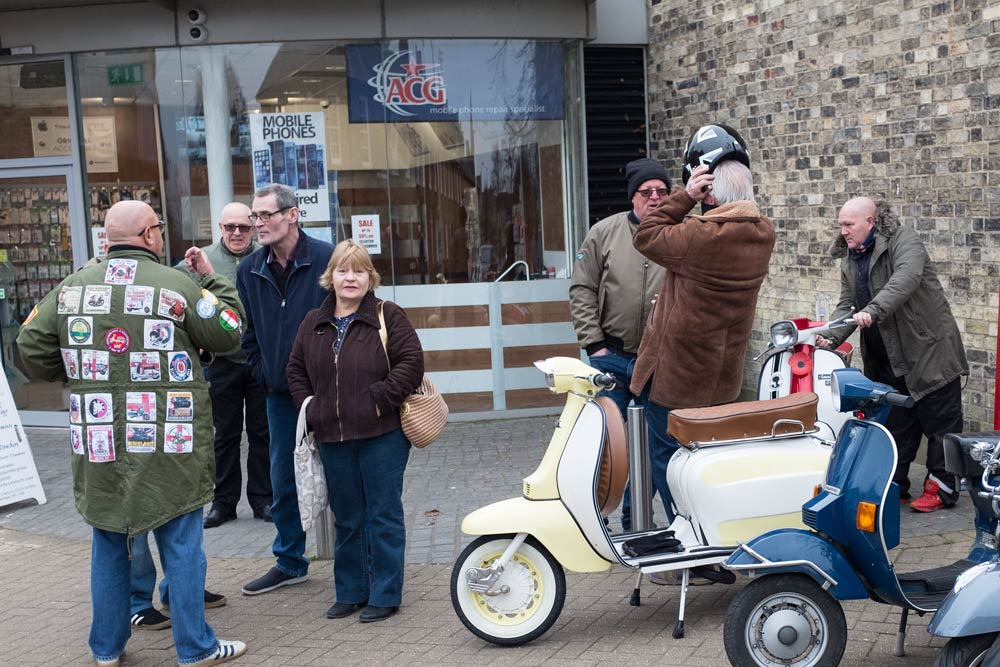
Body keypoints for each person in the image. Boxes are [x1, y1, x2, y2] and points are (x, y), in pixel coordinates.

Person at [15, 200, 246, 667]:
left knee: (107, 543)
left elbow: (29, 346)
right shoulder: (176, 283)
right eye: (158, 228)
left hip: (100, 441)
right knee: (181, 542)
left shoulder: (73, 287)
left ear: (107, 239)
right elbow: (228, 330)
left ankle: (106, 648)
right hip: (170, 439)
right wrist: (210, 279)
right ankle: (196, 647)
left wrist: (79, 372)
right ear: (148, 236)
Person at [629, 124, 776, 532]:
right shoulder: (763, 233)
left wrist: (685, 196)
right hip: (721, 380)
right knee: (708, 465)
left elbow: (646, 234)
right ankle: (713, 535)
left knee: (669, 464)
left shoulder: (700, 236)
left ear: (709, 192)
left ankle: (689, 546)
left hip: (676, 380)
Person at [287, 240, 424, 623]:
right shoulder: (312, 321)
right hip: (332, 436)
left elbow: (412, 362)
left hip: (382, 434)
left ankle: (385, 593)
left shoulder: (387, 315)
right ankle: (350, 591)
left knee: (382, 515)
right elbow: (295, 370)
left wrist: (381, 398)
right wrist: (310, 408)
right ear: (330, 276)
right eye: (344, 270)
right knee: (347, 517)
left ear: (370, 277)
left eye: (359, 270)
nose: (351, 278)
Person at [817, 196, 968, 512]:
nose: (842, 231)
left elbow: (905, 280)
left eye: (848, 224)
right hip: (886, 357)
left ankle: (942, 488)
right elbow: (848, 304)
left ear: (870, 221)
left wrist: (874, 310)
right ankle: (894, 484)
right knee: (894, 426)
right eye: (841, 224)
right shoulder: (851, 258)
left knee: (939, 423)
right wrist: (829, 338)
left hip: (927, 349)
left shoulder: (904, 240)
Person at [238, 184, 333, 595]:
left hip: (330, 391)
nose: (257, 224)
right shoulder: (249, 270)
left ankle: (354, 563)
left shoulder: (329, 259)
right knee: (283, 480)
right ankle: (291, 561)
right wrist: (262, 371)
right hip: (279, 395)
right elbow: (250, 332)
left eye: (265, 215)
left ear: (292, 214)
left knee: (343, 476)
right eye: (253, 217)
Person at [569, 157, 668, 532]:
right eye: (646, 192)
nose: (655, 198)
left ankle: (637, 521)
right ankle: (593, 519)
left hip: (659, 362)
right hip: (611, 358)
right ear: (633, 197)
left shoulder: (680, 233)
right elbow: (582, 288)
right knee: (606, 446)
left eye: (662, 191)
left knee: (655, 447)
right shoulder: (604, 232)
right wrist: (594, 344)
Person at [176, 202, 272, 528]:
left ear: (253, 227)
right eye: (229, 227)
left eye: (243, 227)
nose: (236, 233)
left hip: (259, 360)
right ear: (219, 228)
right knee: (224, 435)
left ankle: (263, 499)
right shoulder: (201, 261)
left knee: (263, 434)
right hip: (221, 361)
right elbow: (174, 291)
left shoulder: (266, 256)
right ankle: (224, 503)